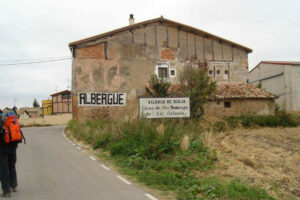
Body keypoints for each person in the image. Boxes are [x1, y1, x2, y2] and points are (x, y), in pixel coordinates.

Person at [0, 109, 19, 198]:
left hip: (2, 145)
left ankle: (6, 191)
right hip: (13, 143)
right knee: (11, 164)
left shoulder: (2, 118)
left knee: (4, 168)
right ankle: (13, 185)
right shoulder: (10, 116)